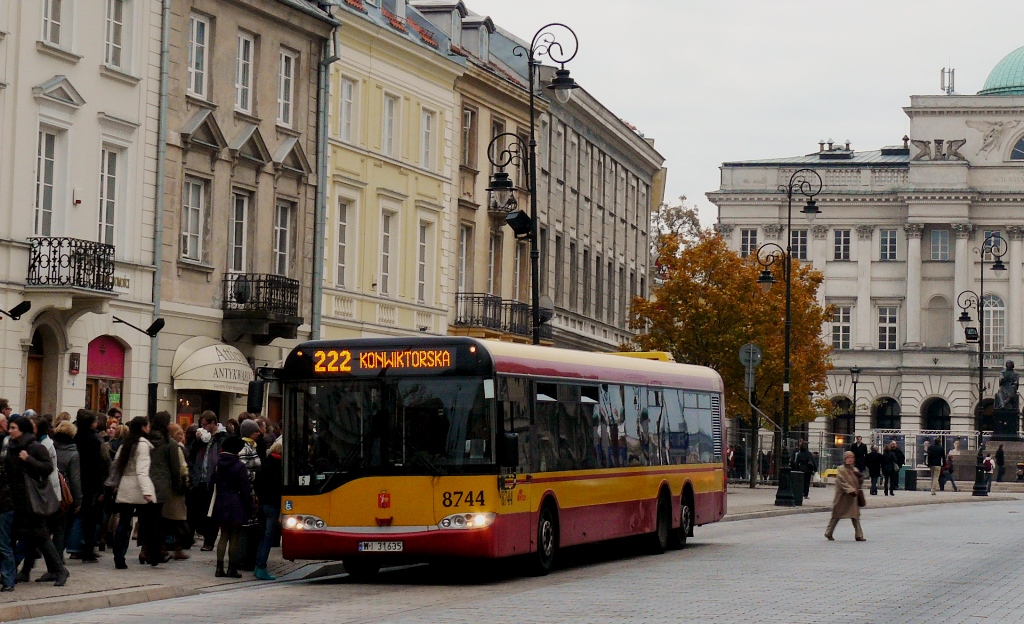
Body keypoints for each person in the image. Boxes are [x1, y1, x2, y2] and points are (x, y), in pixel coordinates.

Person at [4, 417, 69, 585]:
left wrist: (28, 460)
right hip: (14, 501)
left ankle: (60, 570)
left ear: (23, 430)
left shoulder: (36, 448)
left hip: (32, 501)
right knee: (24, 537)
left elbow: (48, 469)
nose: (10, 430)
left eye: (13, 427)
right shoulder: (10, 447)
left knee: (40, 536)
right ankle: (23, 571)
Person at [111, 416, 159, 569]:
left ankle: (119, 557)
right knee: (149, 523)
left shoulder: (126, 444)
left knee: (124, 523)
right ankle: (153, 554)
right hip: (139, 487)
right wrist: (147, 491)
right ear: (143, 427)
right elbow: (142, 470)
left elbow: (116, 465)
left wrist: (115, 484)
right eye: (148, 425)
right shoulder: (143, 445)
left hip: (125, 486)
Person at [211, 436, 253, 578]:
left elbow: (212, 482)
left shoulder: (218, 464)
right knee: (234, 536)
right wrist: (250, 507)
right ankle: (232, 568)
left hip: (221, 500)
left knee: (223, 535)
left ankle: (218, 567)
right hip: (236, 502)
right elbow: (245, 489)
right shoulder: (239, 465)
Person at [144, 411, 181, 565]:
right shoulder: (170, 443)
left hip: (145, 482)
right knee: (158, 520)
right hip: (161, 484)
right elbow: (175, 467)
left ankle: (146, 550)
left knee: (146, 519)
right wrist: (177, 485)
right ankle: (157, 551)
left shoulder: (145, 441)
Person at [188, 411, 227, 551]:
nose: (203, 427)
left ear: (212, 423)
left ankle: (209, 541)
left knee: (210, 512)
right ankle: (197, 535)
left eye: (205, 425)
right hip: (200, 478)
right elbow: (191, 454)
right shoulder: (201, 439)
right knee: (196, 510)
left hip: (213, 479)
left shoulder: (222, 437)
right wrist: (197, 441)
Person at [74, 410, 107, 563]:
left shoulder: (76, 437)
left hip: (78, 479)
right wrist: (101, 487)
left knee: (76, 517)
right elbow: (97, 465)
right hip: (90, 482)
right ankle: (87, 549)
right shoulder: (93, 440)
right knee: (90, 518)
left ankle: (74, 547)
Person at [51, 420, 82, 562]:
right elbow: (75, 479)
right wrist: (78, 500)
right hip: (64, 493)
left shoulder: (51, 447)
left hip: (48, 490)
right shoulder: (73, 453)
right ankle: (58, 557)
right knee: (61, 528)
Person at [254, 436, 283, 580]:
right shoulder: (280, 467)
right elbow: (279, 488)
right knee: (268, 538)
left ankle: (257, 565)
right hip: (272, 505)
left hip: (262, 504)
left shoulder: (264, 463)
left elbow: (256, 484)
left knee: (262, 537)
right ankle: (261, 566)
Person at [162, 423, 190, 560]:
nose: (182, 436)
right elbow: (182, 467)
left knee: (166, 520)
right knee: (178, 519)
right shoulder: (176, 447)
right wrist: (185, 479)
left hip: (165, 487)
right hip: (175, 488)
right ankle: (177, 549)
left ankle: (164, 548)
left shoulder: (163, 445)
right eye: (179, 433)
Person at [825, 450, 865, 542]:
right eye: (848, 458)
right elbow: (842, 482)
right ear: (844, 459)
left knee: (855, 516)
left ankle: (859, 535)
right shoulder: (841, 470)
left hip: (852, 498)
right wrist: (850, 490)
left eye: (852, 457)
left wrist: (860, 478)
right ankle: (828, 532)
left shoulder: (855, 470)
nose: (850, 460)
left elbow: (858, 483)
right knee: (836, 516)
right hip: (842, 498)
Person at [0, 435, 13, 591]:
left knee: (4, 544)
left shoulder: (5, 463)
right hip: (6, 505)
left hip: (4, 506)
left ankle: (8, 579)